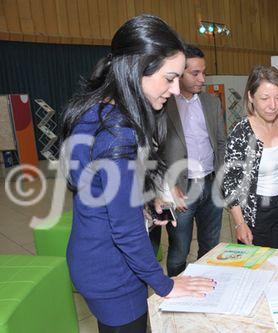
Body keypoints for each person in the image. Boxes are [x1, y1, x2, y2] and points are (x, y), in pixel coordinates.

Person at [61, 15, 215, 333]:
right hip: (113, 273)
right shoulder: (119, 131)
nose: (175, 90)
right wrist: (166, 286)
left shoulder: (95, 110)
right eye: (169, 78)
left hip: (90, 260)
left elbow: (100, 192)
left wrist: (144, 205)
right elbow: (126, 233)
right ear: (137, 68)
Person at [159, 45, 226, 277]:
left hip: (210, 183)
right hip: (182, 189)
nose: (202, 79)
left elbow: (220, 142)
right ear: (179, 72)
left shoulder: (211, 103)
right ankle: (176, 293)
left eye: (204, 72)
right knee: (179, 249)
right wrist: (168, 185)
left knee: (210, 246)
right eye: (195, 73)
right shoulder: (164, 104)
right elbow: (154, 151)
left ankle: (206, 287)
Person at [222, 65, 278, 249]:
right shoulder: (242, 132)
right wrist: (240, 223)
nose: (273, 105)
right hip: (256, 213)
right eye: (265, 98)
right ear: (251, 97)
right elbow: (230, 183)